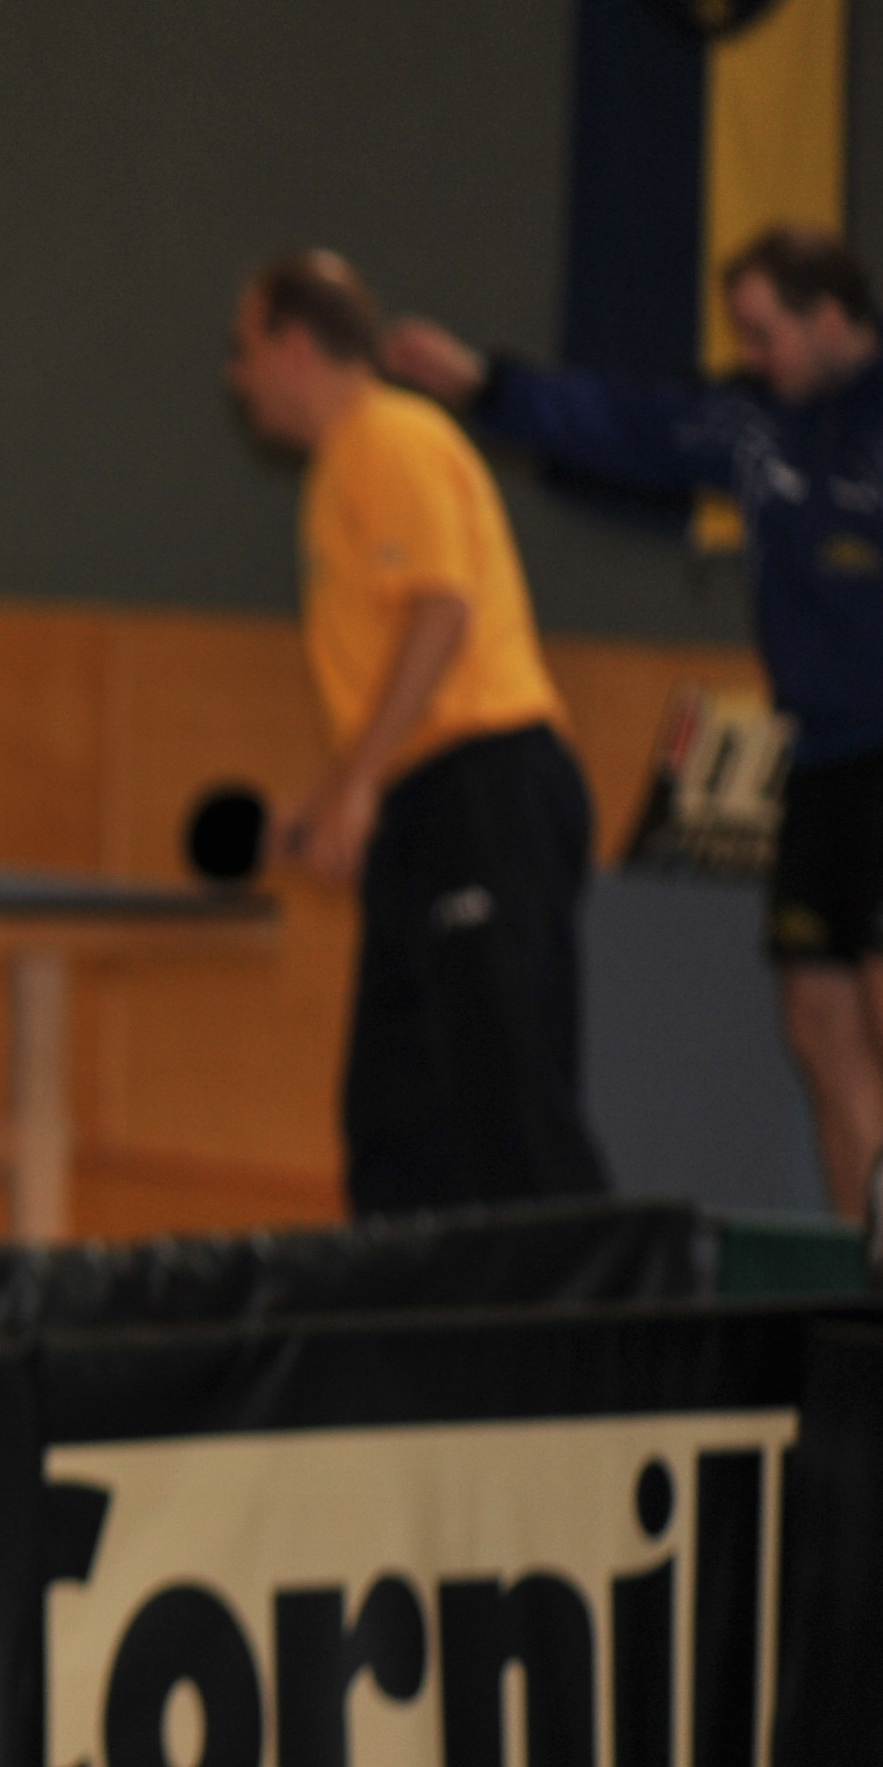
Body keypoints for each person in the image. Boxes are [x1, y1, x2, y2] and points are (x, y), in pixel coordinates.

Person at [385, 225, 883, 1222]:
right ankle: (869, 1261)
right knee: (817, 1018)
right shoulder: (752, 423)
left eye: (765, 333)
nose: (750, 356)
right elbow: (623, 422)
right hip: (818, 760)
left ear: (832, 317)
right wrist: (486, 384)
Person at [223, 250, 610, 1216]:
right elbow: (387, 699)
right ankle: (414, 1309)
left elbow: (443, 611)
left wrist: (356, 786)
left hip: (488, 789)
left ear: (294, 345)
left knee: (510, 1110)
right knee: (396, 1121)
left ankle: (597, 1311)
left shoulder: (392, 437)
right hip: (425, 806)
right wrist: (326, 803)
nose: (236, 376)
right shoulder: (338, 471)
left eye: (244, 348)